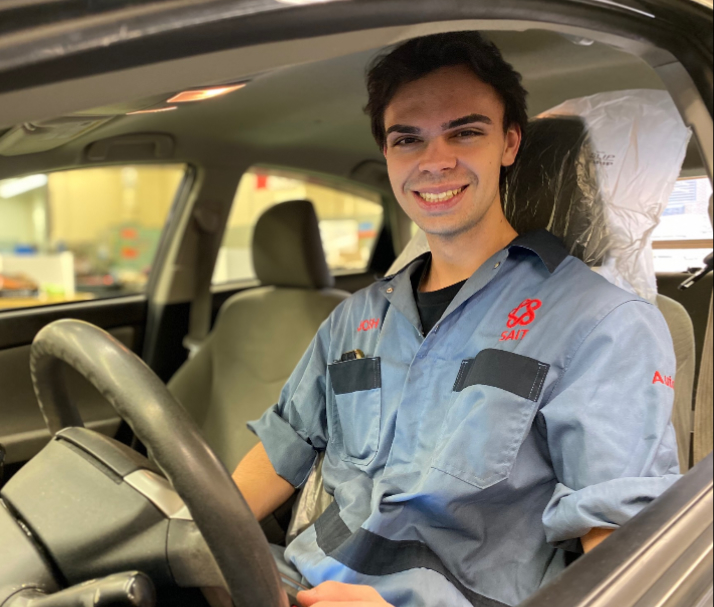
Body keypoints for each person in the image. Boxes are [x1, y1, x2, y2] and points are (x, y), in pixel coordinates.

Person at [232, 32, 681, 607]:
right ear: (388, 157)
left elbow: (626, 563)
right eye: (407, 139)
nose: (434, 161)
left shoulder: (605, 323)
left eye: (465, 132)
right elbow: (285, 444)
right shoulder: (355, 317)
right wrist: (194, 535)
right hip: (292, 585)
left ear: (510, 143)